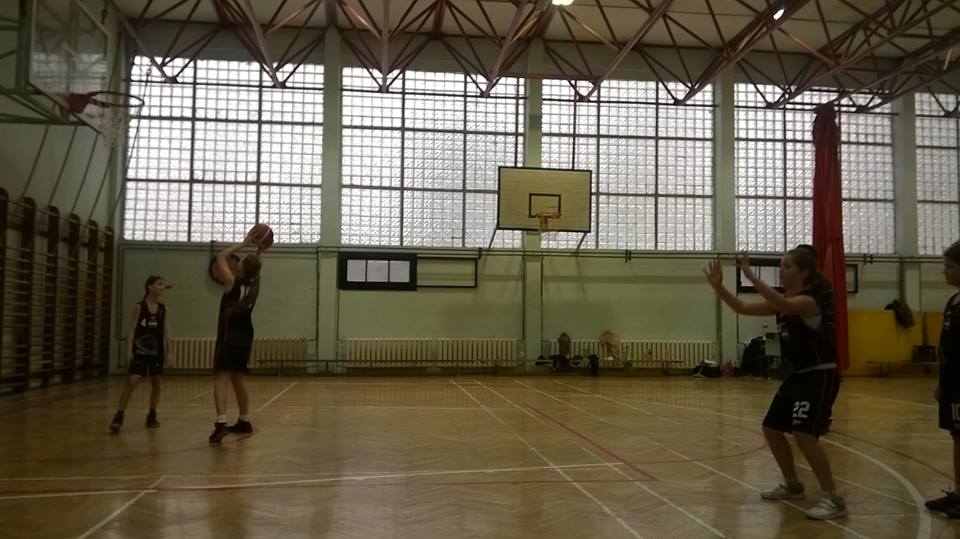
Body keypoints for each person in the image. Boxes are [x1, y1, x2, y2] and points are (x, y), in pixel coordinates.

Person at [704, 245, 846, 520]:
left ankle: (833, 498)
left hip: (819, 374)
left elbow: (783, 304)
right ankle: (793, 484)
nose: (781, 271)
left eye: (787, 266)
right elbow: (742, 307)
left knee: (804, 434)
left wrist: (749, 274)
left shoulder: (808, 302)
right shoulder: (784, 303)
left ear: (804, 272)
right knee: (771, 428)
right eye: (780, 266)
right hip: (796, 376)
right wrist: (719, 287)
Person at [208, 235, 262, 444]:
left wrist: (245, 242)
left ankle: (221, 423)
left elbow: (221, 256)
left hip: (228, 335)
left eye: (241, 260)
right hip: (246, 336)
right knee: (237, 378)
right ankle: (244, 420)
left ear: (242, 267)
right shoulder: (255, 285)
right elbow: (256, 268)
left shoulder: (232, 281)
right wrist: (259, 251)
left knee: (221, 377)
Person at [925, 240, 960, 518]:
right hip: (952, 383)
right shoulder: (953, 302)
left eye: (949, 266)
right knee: (957, 437)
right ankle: (958, 493)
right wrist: (940, 381)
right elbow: (945, 347)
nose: (944, 271)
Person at [109, 276, 170, 433]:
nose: (163, 286)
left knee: (157, 384)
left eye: (163, 284)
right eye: (159, 284)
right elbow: (131, 330)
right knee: (132, 381)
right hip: (140, 350)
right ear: (150, 287)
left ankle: (152, 415)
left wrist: (170, 352)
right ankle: (119, 415)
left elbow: (167, 332)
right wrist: (129, 350)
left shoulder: (163, 309)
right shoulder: (139, 307)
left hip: (157, 352)